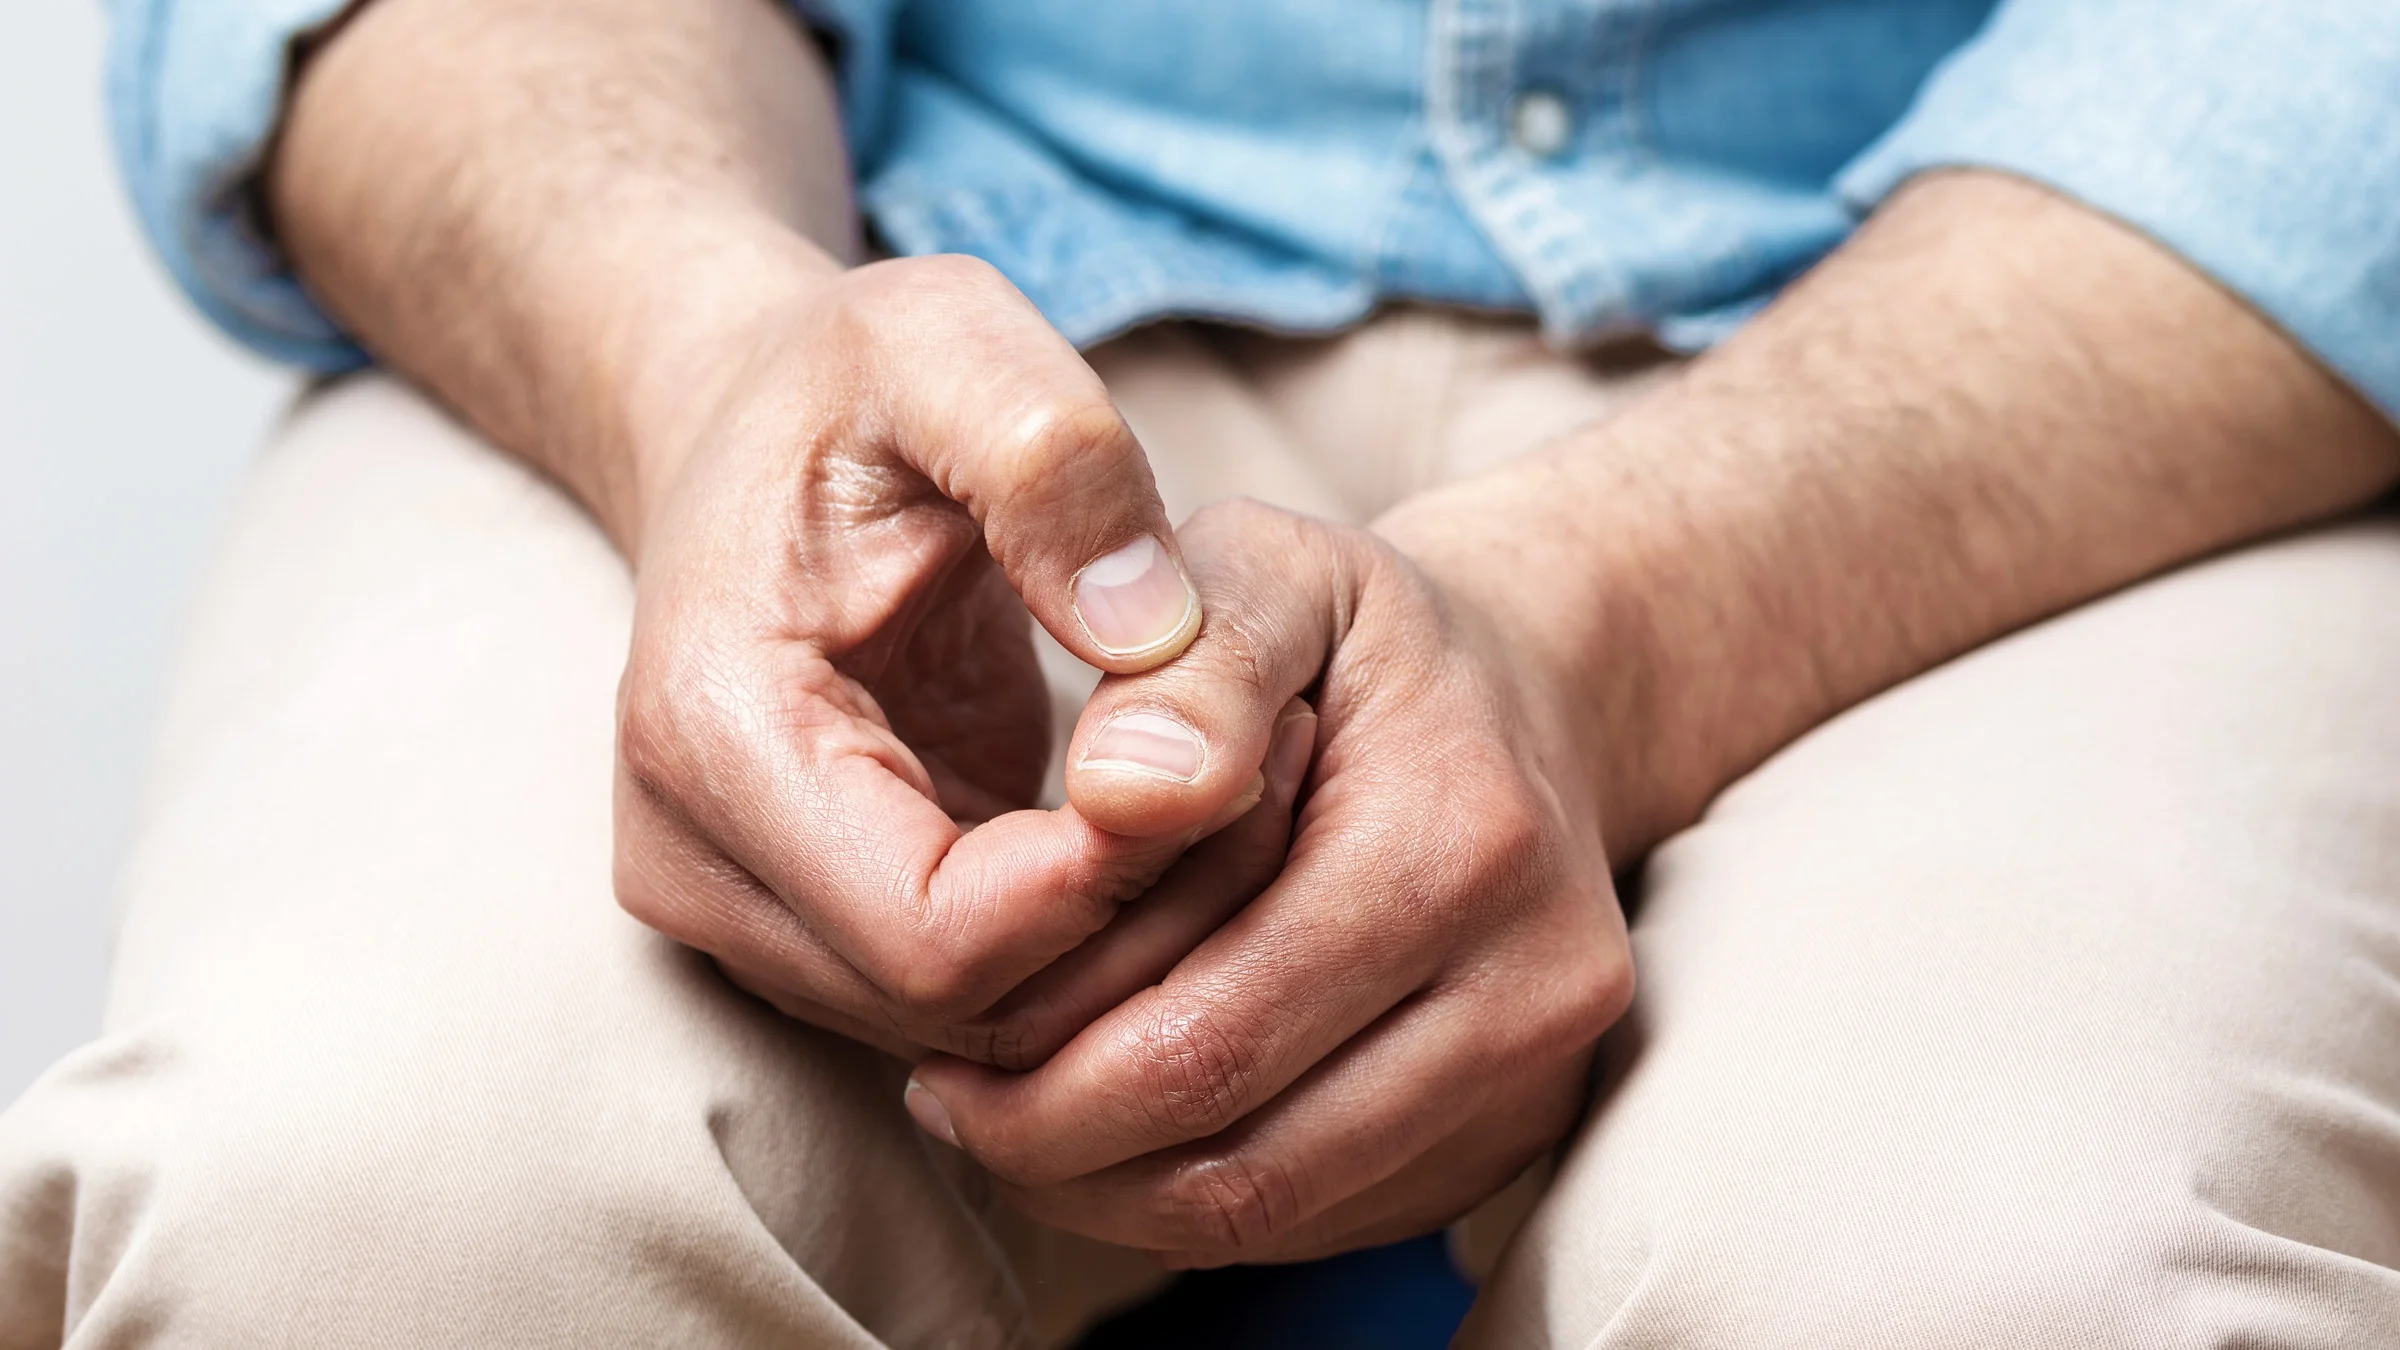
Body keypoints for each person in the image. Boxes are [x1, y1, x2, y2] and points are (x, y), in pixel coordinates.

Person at [6, 0, 2399, 1344]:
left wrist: (1616, 615)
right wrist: (712, 350)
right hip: (873, 251)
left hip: (2090, 338)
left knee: (2013, 1273)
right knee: (366, 1198)